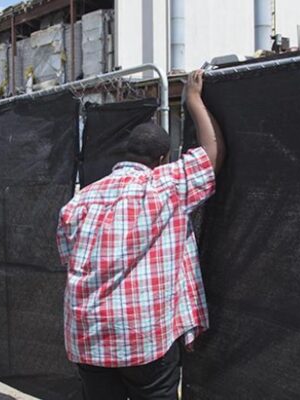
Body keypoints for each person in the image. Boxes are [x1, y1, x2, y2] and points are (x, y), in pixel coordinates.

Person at [56, 70, 225, 400]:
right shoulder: (165, 186)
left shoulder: (79, 202)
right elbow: (212, 154)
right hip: (142, 336)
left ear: (125, 154)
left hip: (87, 335)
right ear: (160, 160)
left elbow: (69, 259)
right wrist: (192, 98)